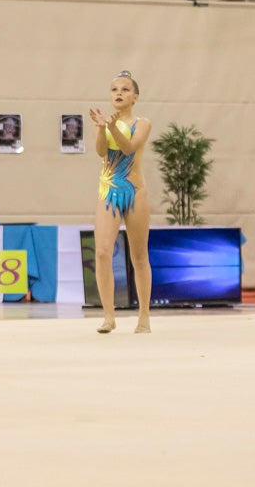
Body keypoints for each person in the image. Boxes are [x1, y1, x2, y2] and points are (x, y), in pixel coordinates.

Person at [88, 71, 153, 334]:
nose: (119, 93)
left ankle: (144, 316)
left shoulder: (143, 123)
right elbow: (101, 151)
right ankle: (108, 316)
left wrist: (112, 126)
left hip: (135, 192)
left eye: (125, 90)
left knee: (138, 255)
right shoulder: (104, 122)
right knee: (102, 251)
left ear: (135, 97)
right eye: (114, 89)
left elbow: (129, 148)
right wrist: (103, 127)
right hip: (110, 191)